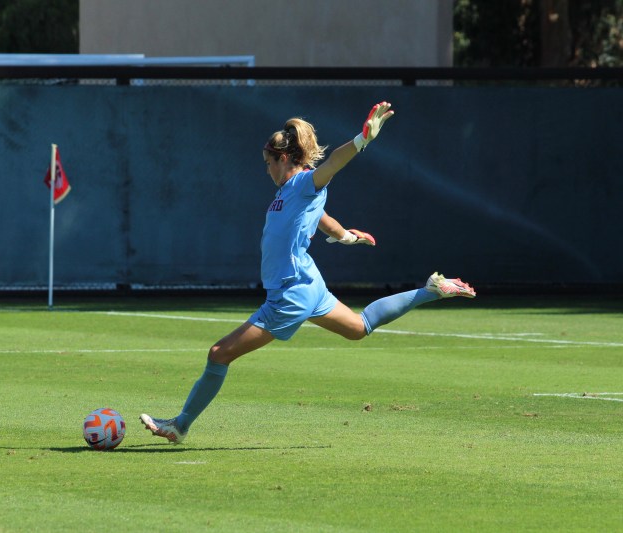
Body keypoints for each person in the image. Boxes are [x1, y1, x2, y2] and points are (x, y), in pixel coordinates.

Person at [140, 101, 475, 444]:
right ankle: (433, 289)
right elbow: (321, 216)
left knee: (218, 354)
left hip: (290, 293)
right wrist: (345, 236)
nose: (266, 169)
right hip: (308, 283)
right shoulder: (290, 192)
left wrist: (362, 140)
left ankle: (180, 425)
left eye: (268, 163)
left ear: (283, 159)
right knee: (360, 327)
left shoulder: (302, 183)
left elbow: (332, 164)